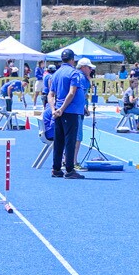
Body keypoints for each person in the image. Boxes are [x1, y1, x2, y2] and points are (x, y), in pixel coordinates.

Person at [47, 49, 87, 179]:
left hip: (58, 112)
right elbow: (71, 93)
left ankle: (56, 168)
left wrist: (54, 109)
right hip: (70, 111)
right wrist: (63, 108)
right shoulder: (74, 73)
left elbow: (51, 94)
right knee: (70, 140)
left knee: (59, 141)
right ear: (72, 59)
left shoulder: (56, 74)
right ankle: (69, 170)